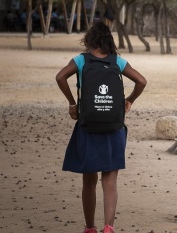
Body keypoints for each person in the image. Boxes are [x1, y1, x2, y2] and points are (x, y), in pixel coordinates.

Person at [55, 22, 147, 233]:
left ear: (89, 40)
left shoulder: (81, 60)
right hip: (113, 127)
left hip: (88, 126)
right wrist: (129, 100)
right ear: (109, 40)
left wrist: (72, 103)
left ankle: (89, 228)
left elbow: (60, 77)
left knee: (89, 178)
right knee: (110, 178)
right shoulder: (118, 61)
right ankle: (109, 227)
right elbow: (141, 81)